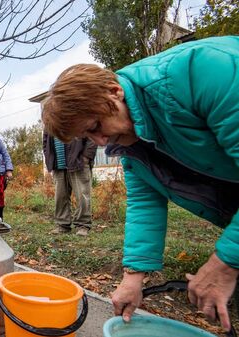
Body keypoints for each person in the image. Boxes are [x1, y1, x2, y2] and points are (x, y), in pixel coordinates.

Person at [41, 36, 239, 332]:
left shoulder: (205, 72)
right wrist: (134, 276)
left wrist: (225, 261)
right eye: (88, 137)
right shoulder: (131, 142)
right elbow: (145, 201)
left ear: (114, 92)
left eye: (95, 127)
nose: (101, 142)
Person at [43, 133, 96, 236]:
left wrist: (86, 157)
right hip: (58, 164)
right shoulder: (50, 119)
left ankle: (83, 225)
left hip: (79, 162)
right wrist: (49, 157)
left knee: (82, 195)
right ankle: (62, 225)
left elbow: (92, 136)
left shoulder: (81, 116)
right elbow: (46, 141)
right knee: (60, 197)